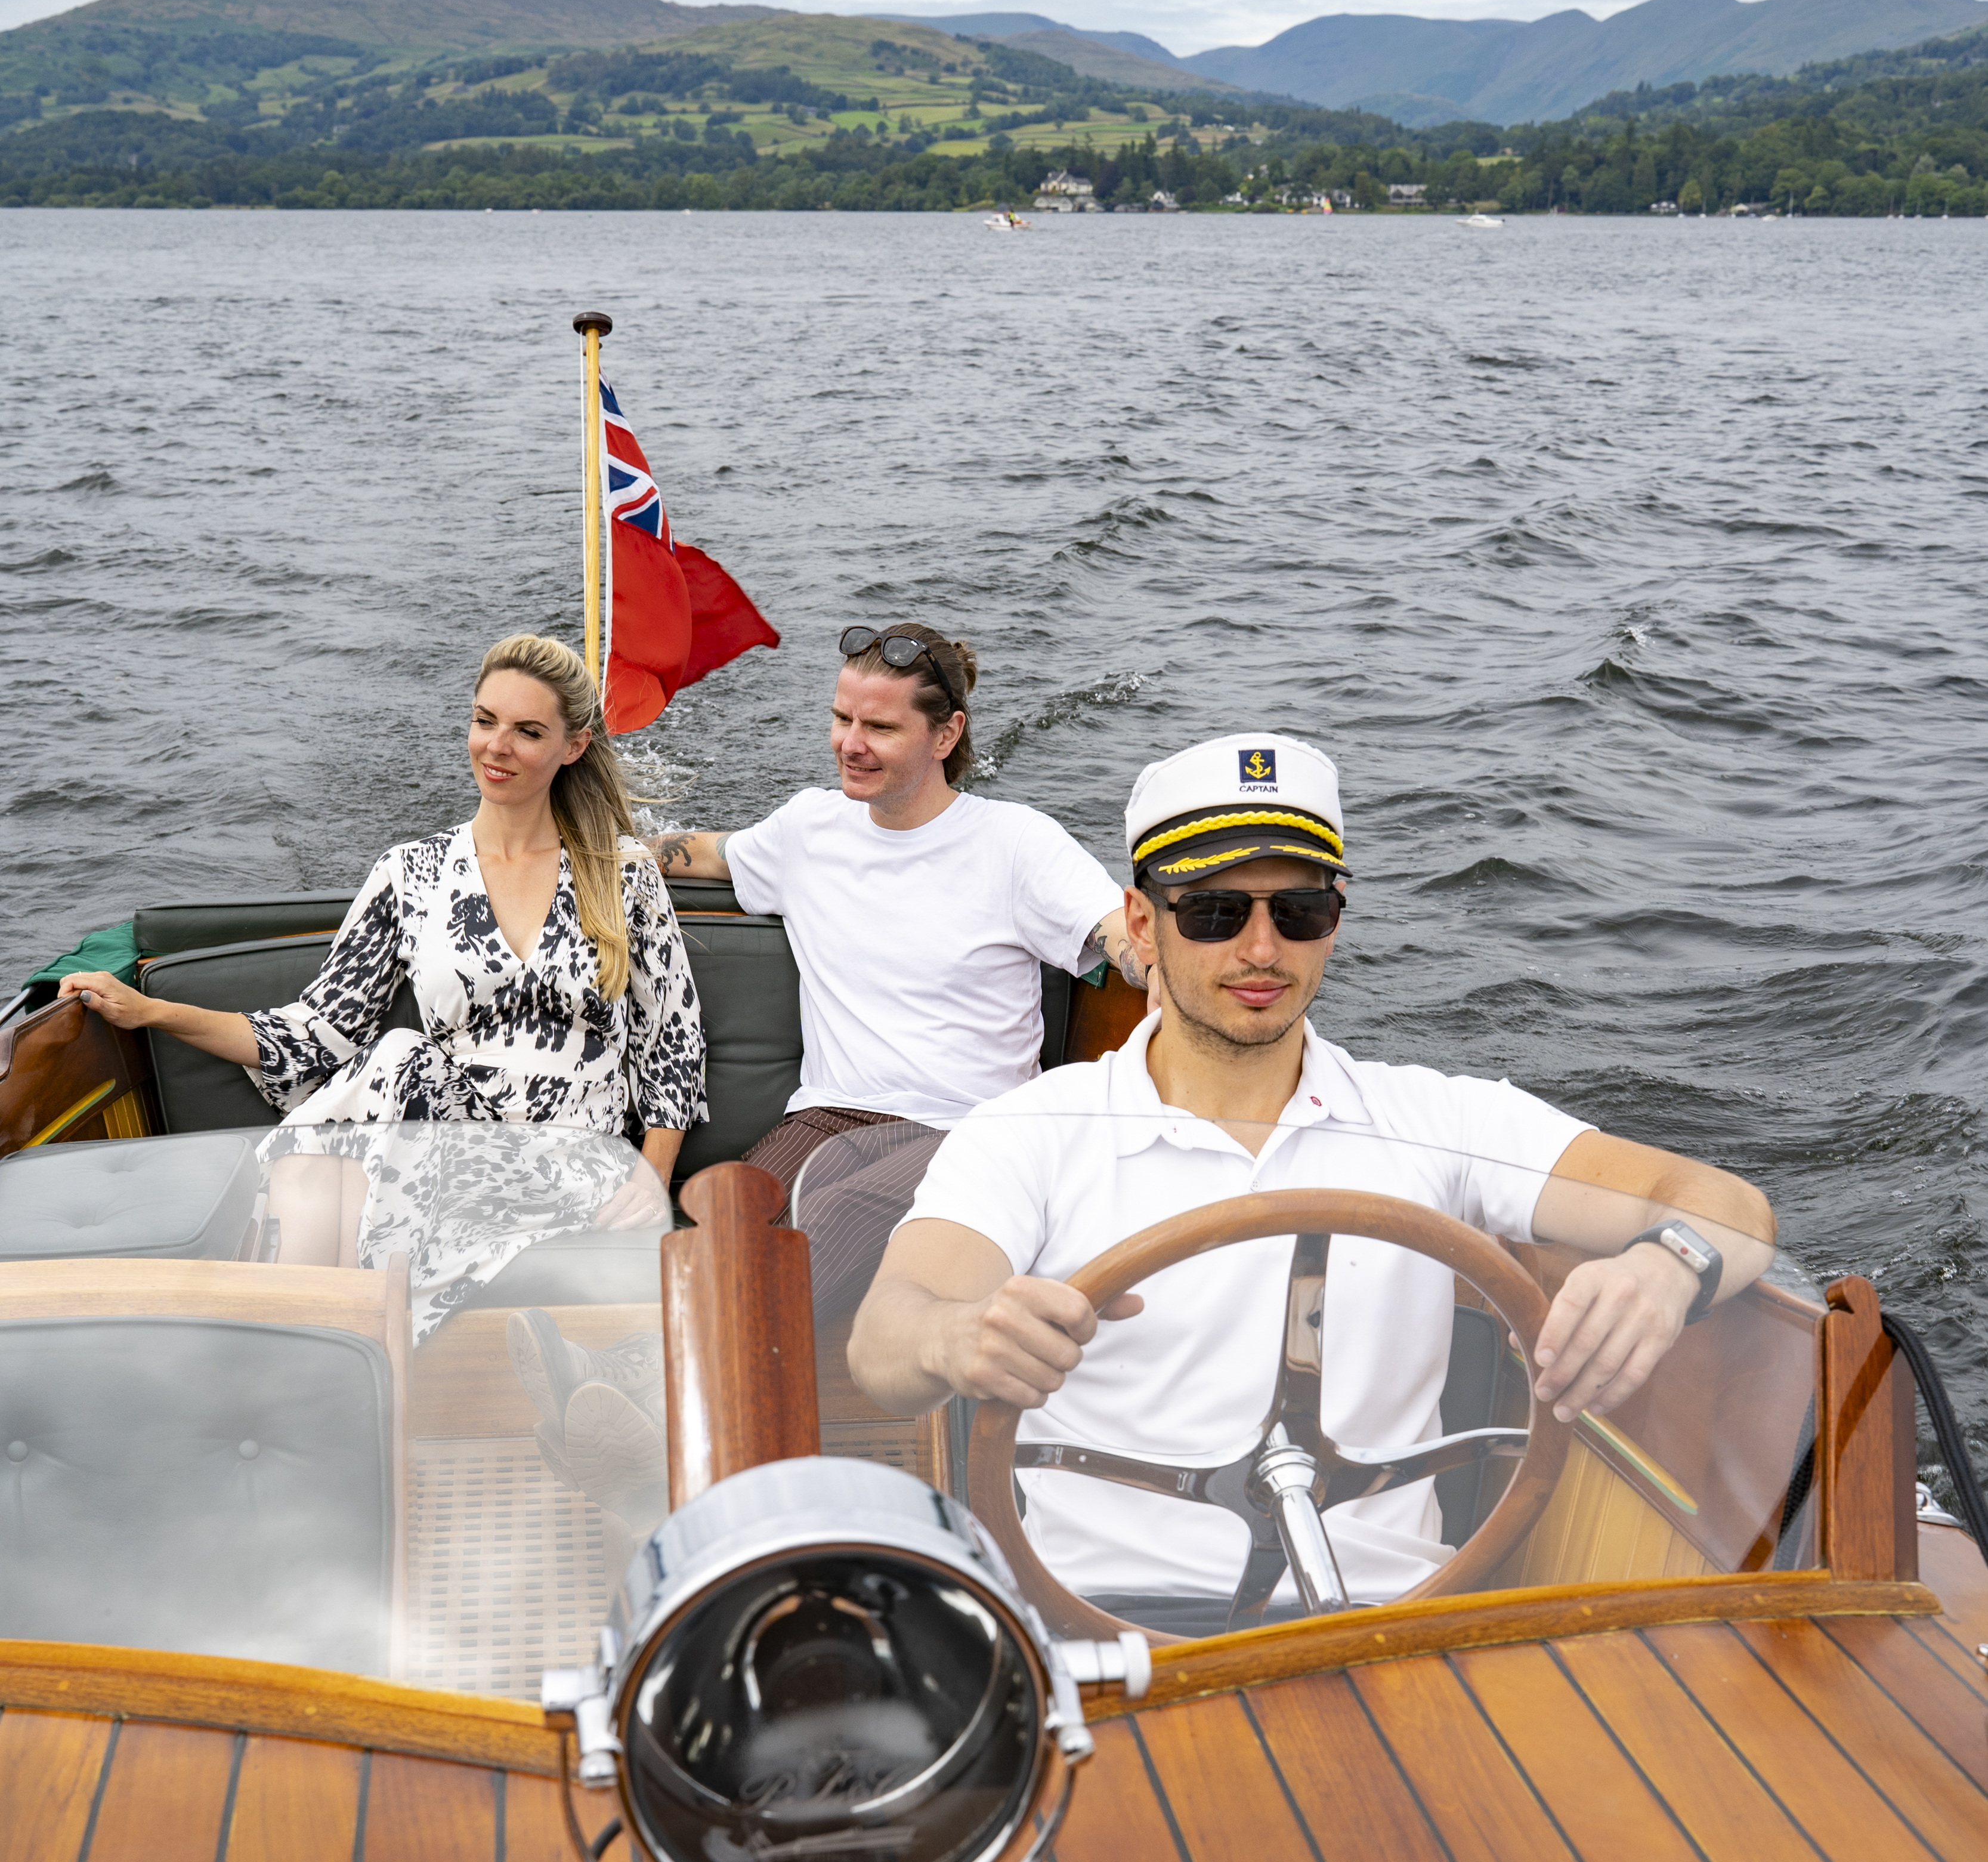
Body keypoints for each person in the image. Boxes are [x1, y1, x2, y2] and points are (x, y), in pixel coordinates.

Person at [848, 732, 1776, 1620]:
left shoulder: (1442, 1123)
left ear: (1333, 924)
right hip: (1108, 1628)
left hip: (1392, 1622)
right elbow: (886, 1340)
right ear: (1143, 922)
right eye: (1215, 912)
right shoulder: (1028, 1133)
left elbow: (1725, 1207)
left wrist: (1667, 1270)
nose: (1261, 951)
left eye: (1298, 912)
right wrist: (960, 1336)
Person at [62, 633, 706, 1518]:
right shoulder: (411, 876)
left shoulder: (621, 875)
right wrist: (153, 1013)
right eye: (484, 722)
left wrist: (652, 1172)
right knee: (391, 1075)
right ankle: (317, 1423)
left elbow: (670, 1040)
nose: (497, 748)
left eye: (525, 731)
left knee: (377, 1096)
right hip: (446, 1139)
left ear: (573, 746)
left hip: (575, 1152)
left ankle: (289, 1416)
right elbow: (317, 1033)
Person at [650, 622, 1140, 1314]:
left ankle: (654, 1388)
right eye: (841, 718)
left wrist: (1157, 957)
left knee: (826, 1227)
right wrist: (582, 846)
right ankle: (641, 1382)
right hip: (823, 1119)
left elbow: (1116, 933)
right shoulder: (808, 830)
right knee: (722, 1217)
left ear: (946, 736)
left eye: (878, 726)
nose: (849, 743)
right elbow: (702, 854)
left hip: (968, 1129)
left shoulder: (1016, 843)